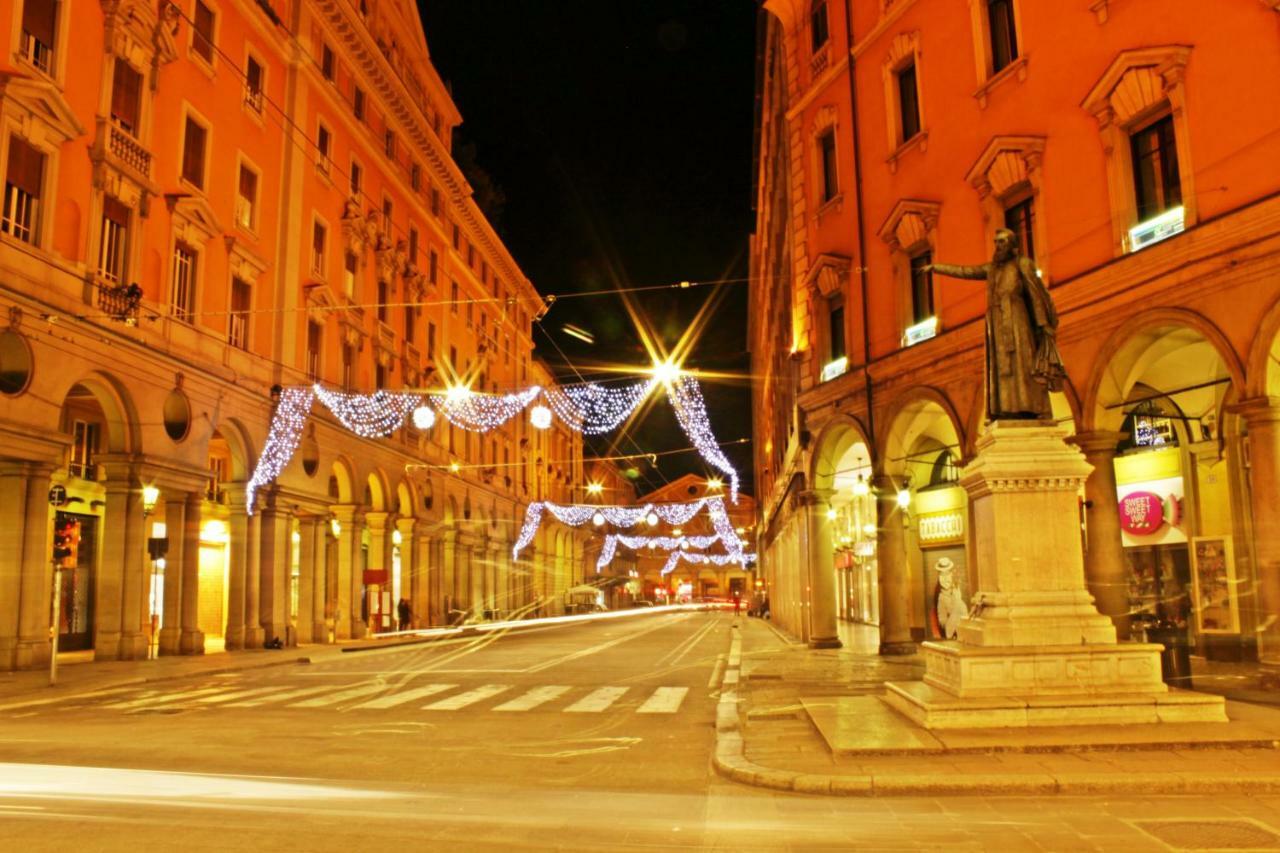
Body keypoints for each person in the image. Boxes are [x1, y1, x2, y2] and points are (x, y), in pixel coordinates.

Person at [923, 228, 1066, 421]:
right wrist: (936, 268)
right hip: (996, 324)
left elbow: (1035, 294)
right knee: (1001, 369)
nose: (998, 246)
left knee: (1023, 365)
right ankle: (1005, 409)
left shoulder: (1022, 264)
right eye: (996, 242)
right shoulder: (991, 269)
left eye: (1002, 242)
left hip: (1017, 320)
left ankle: (1033, 407)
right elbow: (965, 271)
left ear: (1013, 245)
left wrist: (1042, 325)